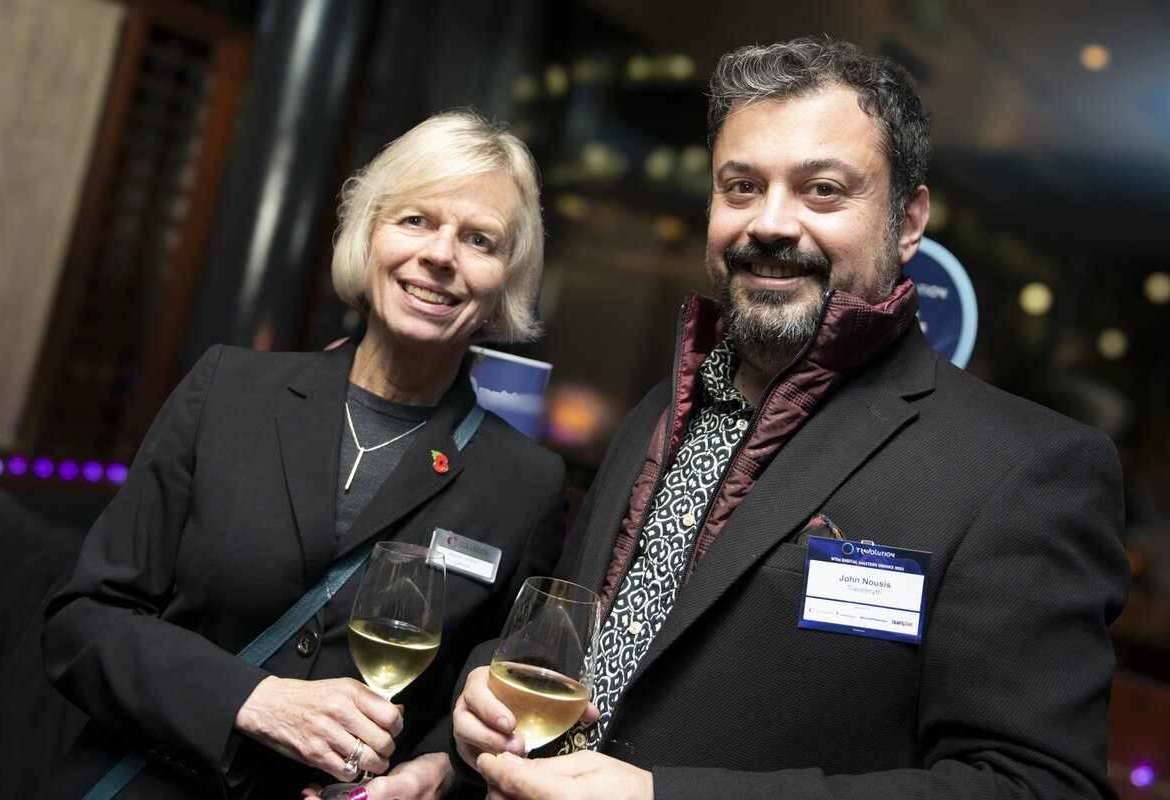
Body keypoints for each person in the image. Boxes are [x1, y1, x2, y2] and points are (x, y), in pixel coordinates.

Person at [451, 37, 1129, 800]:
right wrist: (483, 693)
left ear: (908, 222)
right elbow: (570, 638)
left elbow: (1035, 787)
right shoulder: (665, 406)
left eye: (823, 190)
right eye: (741, 186)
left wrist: (663, 798)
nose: (770, 223)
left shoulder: (1024, 469)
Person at [41, 109, 567, 800]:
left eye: (479, 239)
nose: (441, 254)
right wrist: (251, 700)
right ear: (369, 234)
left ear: (507, 277)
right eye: (415, 220)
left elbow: (487, 699)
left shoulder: (525, 484)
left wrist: (440, 771)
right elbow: (80, 623)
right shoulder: (228, 390)